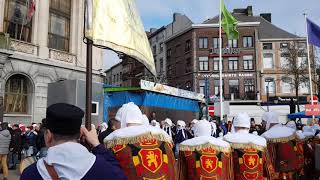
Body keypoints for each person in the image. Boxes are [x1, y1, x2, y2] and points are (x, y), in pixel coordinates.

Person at [20, 103, 126, 180]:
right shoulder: (104, 169)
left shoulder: (30, 174)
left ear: (48, 136)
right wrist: (97, 144)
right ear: (80, 134)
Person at [105, 102, 176, 179]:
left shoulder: (116, 144)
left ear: (123, 120)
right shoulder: (164, 140)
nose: (116, 125)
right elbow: (173, 169)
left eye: (117, 122)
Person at [224, 113, 275, 179]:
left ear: (234, 126)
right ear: (249, 126)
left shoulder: (227, 140)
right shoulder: (260, 141)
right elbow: (268, 167)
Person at [261, 112, 301, 179]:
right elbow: (298, 150)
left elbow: (269, 157)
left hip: (277, 171)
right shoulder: (291, 132)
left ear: (268, 121)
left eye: (263, 121)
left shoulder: (267, 135)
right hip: (293, 169)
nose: (261, 123)